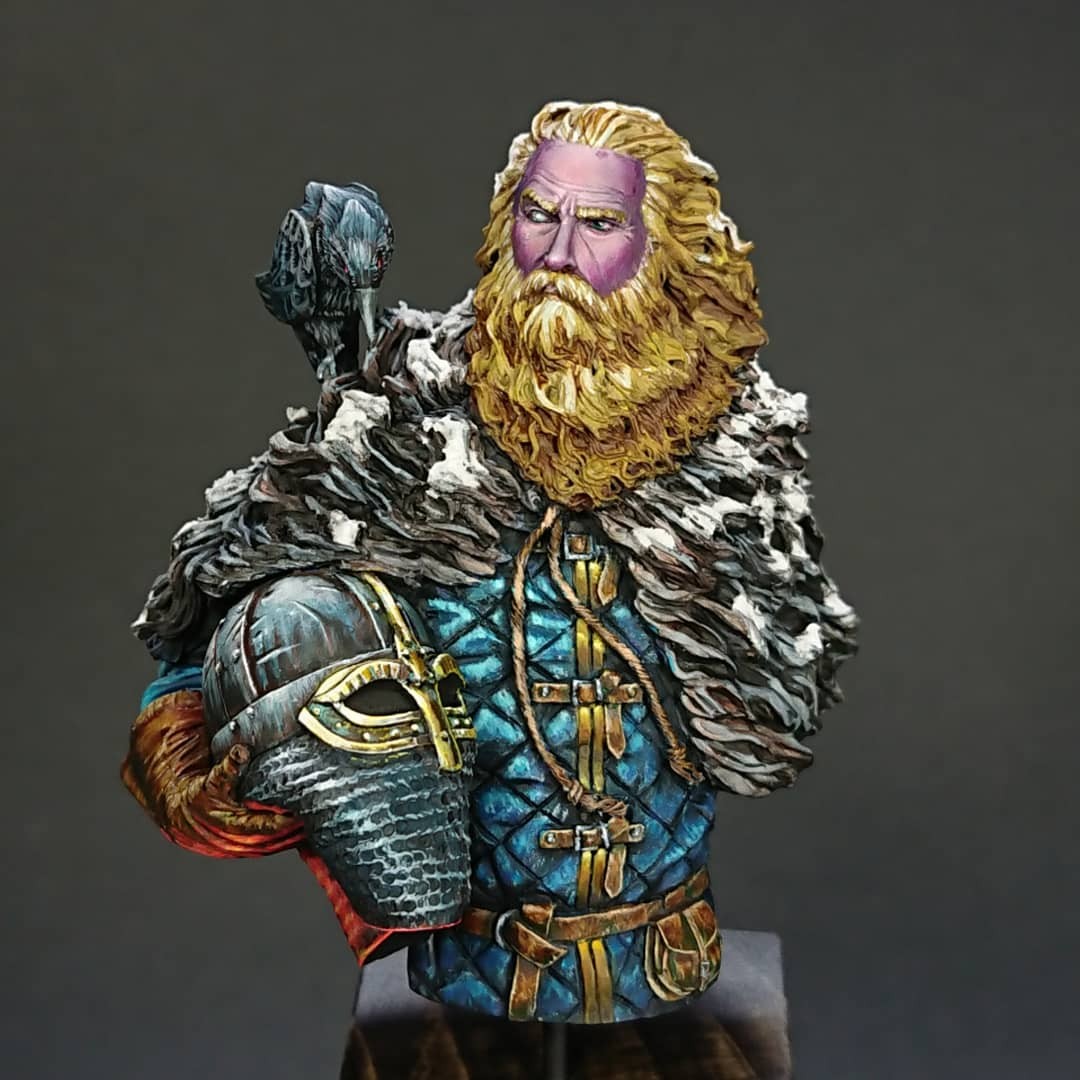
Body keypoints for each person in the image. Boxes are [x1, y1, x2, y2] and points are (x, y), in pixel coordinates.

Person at [122, 100, 858, 1031]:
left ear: (664, 253)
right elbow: (213, 637)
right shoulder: (398, 430)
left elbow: (778, 684)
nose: (558, 253)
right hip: (472, 971)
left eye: (600, 223)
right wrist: (203, 767)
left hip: (667, 962)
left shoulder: (737, 468)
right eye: (538, 214)